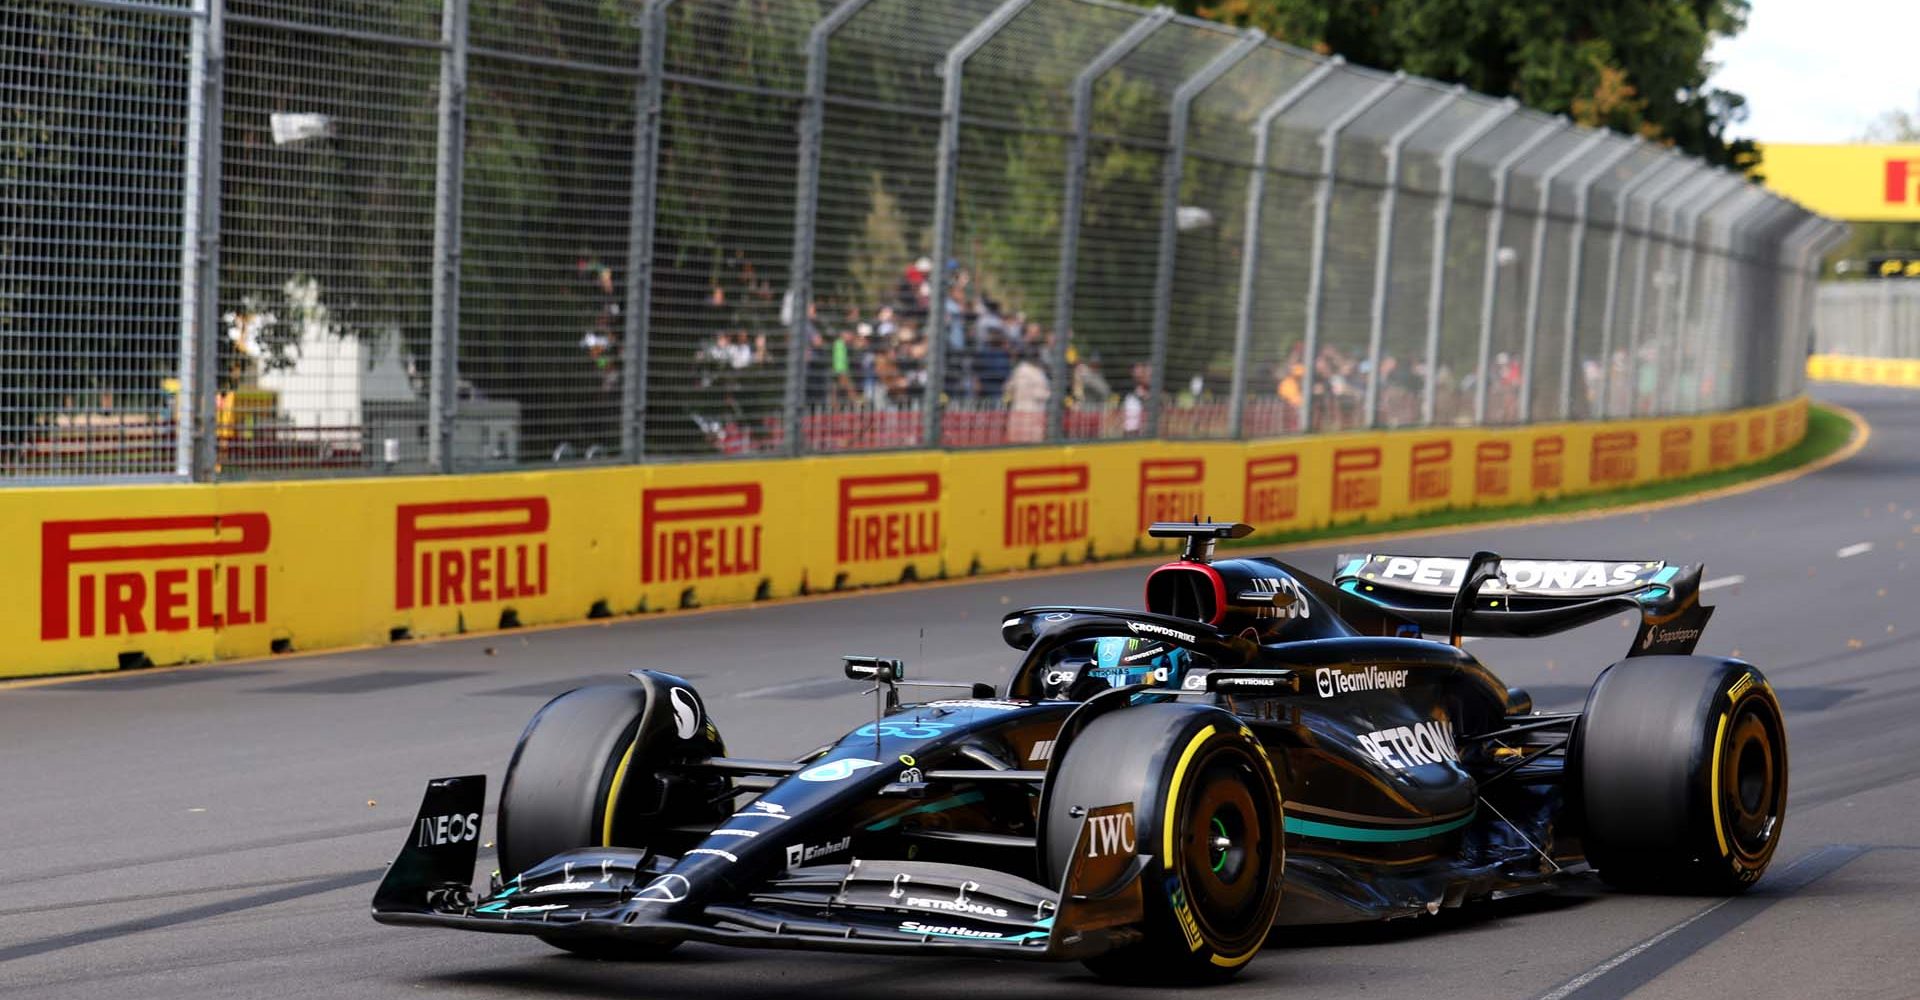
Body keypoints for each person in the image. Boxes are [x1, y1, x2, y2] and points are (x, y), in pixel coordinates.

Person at [1004, 346, 1049, 443]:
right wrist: (1048, 394)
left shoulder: (1018, 371)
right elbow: (1040, 393)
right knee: (1031, 443)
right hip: (1033, 411)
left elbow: (1008, 388)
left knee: (1018, 442)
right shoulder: (1037, 372)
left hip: (1019, 410)